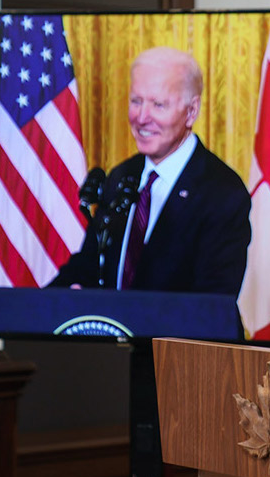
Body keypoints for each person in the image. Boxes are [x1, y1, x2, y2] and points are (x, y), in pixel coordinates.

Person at [50, 47, 251, 297]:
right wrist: (43, 303)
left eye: (158, 105)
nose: (142, 117)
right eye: (136, 101)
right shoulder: (122, 176)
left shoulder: (223, 193)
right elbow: (91, 264)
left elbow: (211, 303)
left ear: (191, 111)